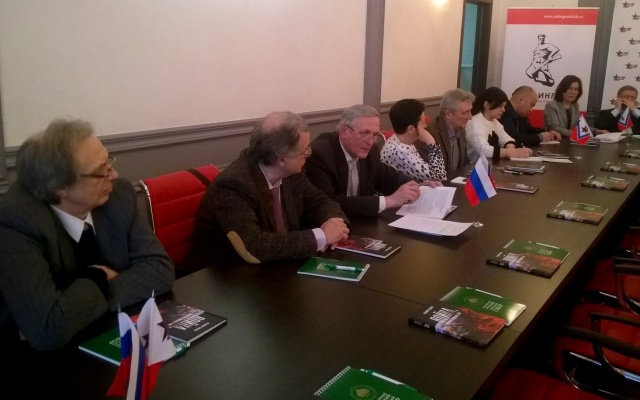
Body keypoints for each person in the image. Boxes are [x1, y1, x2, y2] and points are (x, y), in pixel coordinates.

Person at [0, 119, 175, 352]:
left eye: (109, 162)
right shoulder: (16, 220)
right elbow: (49, 330)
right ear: (60, 186)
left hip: (109, 336)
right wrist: (97, 277)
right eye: (101, 171)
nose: (114, 175)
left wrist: (76, 307)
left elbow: (160, 270)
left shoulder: (118, 195)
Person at [196, 111, 349, 264]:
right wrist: (321, 236)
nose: (309, 154)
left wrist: (336, 225)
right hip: (228, 270)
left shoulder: (292, 172)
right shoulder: (233, 184)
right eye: (305, 150)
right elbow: (254, 246)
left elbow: (321, 202)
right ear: (282, 158)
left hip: (279, 264)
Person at [304, 105, 425, 217]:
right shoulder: (320, 154)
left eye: (375, 135)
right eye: (364, 133)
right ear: (344, 131)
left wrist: (416, 186)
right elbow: (329, 202)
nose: (370, 141)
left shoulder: (371, 151)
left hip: (362, 222)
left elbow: (387, 177)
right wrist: (389, 201)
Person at [380, 98, 446, 182]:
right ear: (411, 129)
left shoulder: (403, 142)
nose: (425, 126)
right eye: (423, 123)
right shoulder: (399, 150)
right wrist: (431, 142)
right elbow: (439, 177)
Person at [466, 87, 533, 164]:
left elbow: (507, 139)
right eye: (500, 106)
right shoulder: (475, 123)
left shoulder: (495, 122)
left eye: (504, 106)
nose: (503, 110)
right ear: (487, 105)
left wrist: (510, 147)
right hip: (473, 168)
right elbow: (483, 150)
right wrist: (510, 153)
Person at [426, 88, 474, 173]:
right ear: (449, 114)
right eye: (465, 112)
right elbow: (430, 173)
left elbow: (465, 161)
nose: (470, 117)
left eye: (470, 111)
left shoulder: (461, 130)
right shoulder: (430, 134)